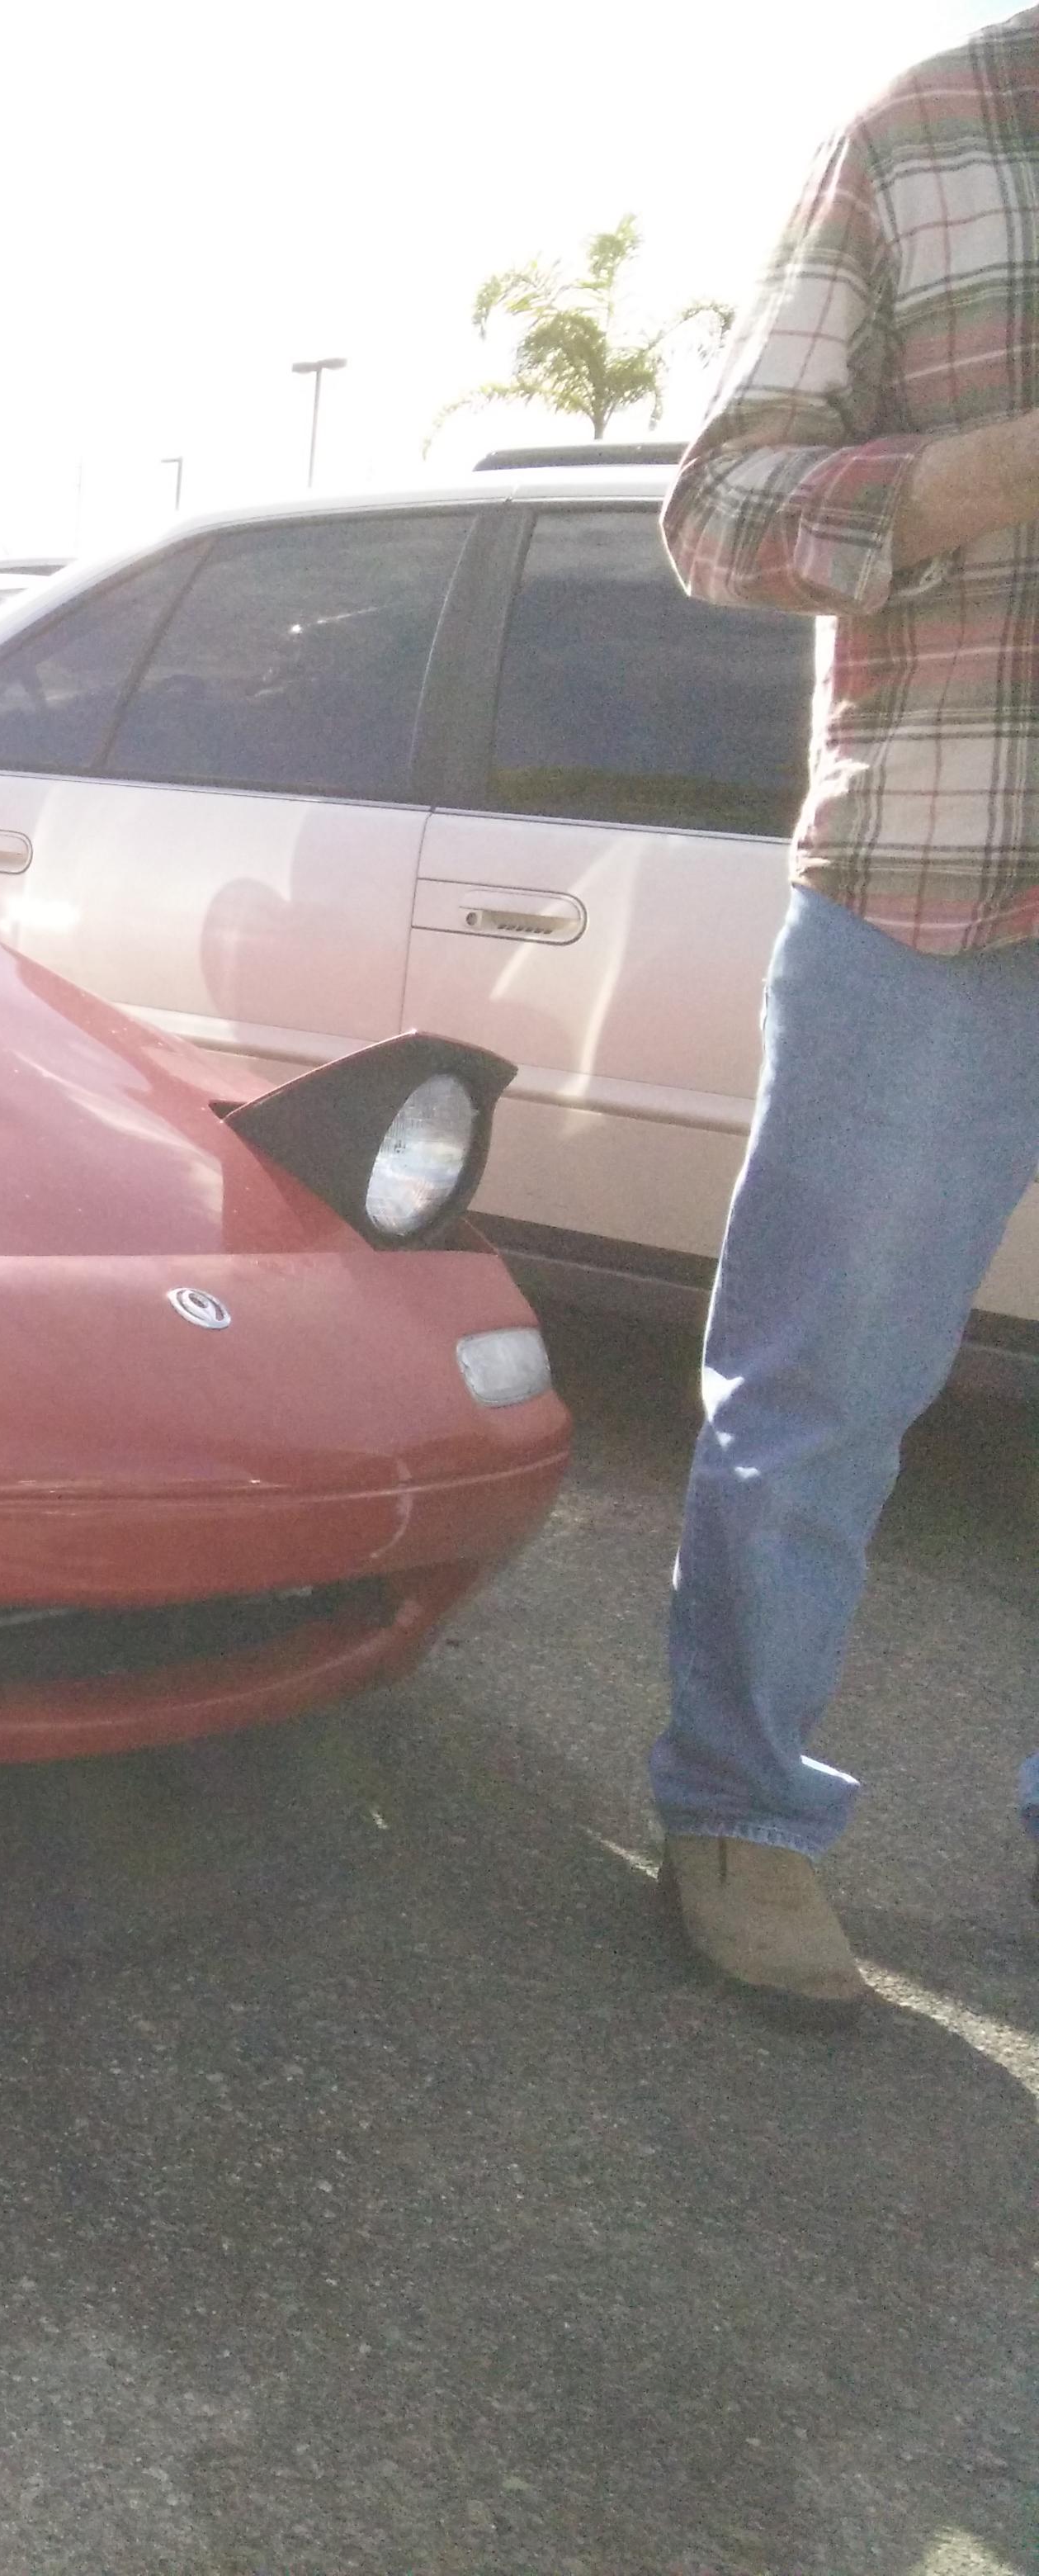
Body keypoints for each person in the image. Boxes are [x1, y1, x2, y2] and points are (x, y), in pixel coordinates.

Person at [655, 7, 1039, 2022]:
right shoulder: (927, 135)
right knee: (812, 1401)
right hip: (933, 889)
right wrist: (993, 471)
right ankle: (737, 1807)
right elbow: (718, 510)